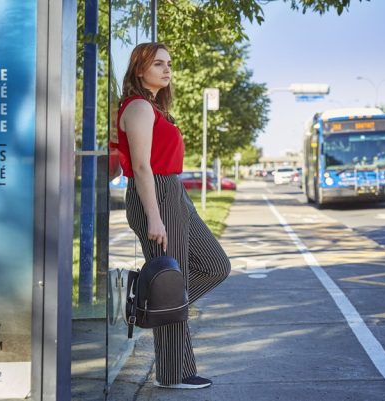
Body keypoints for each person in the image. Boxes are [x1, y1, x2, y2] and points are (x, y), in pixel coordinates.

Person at [113, 43, 230, 390]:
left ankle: (151, 305)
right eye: (158, 63)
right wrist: (154, 216)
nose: (167, 70)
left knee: (214, 266)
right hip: (156, 195)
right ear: (139, 69)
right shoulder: (137, 108)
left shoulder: (152, 107)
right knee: (171, 283)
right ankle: (173, 373)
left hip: (172, 191)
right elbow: (140, 167)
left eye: (169, 63)